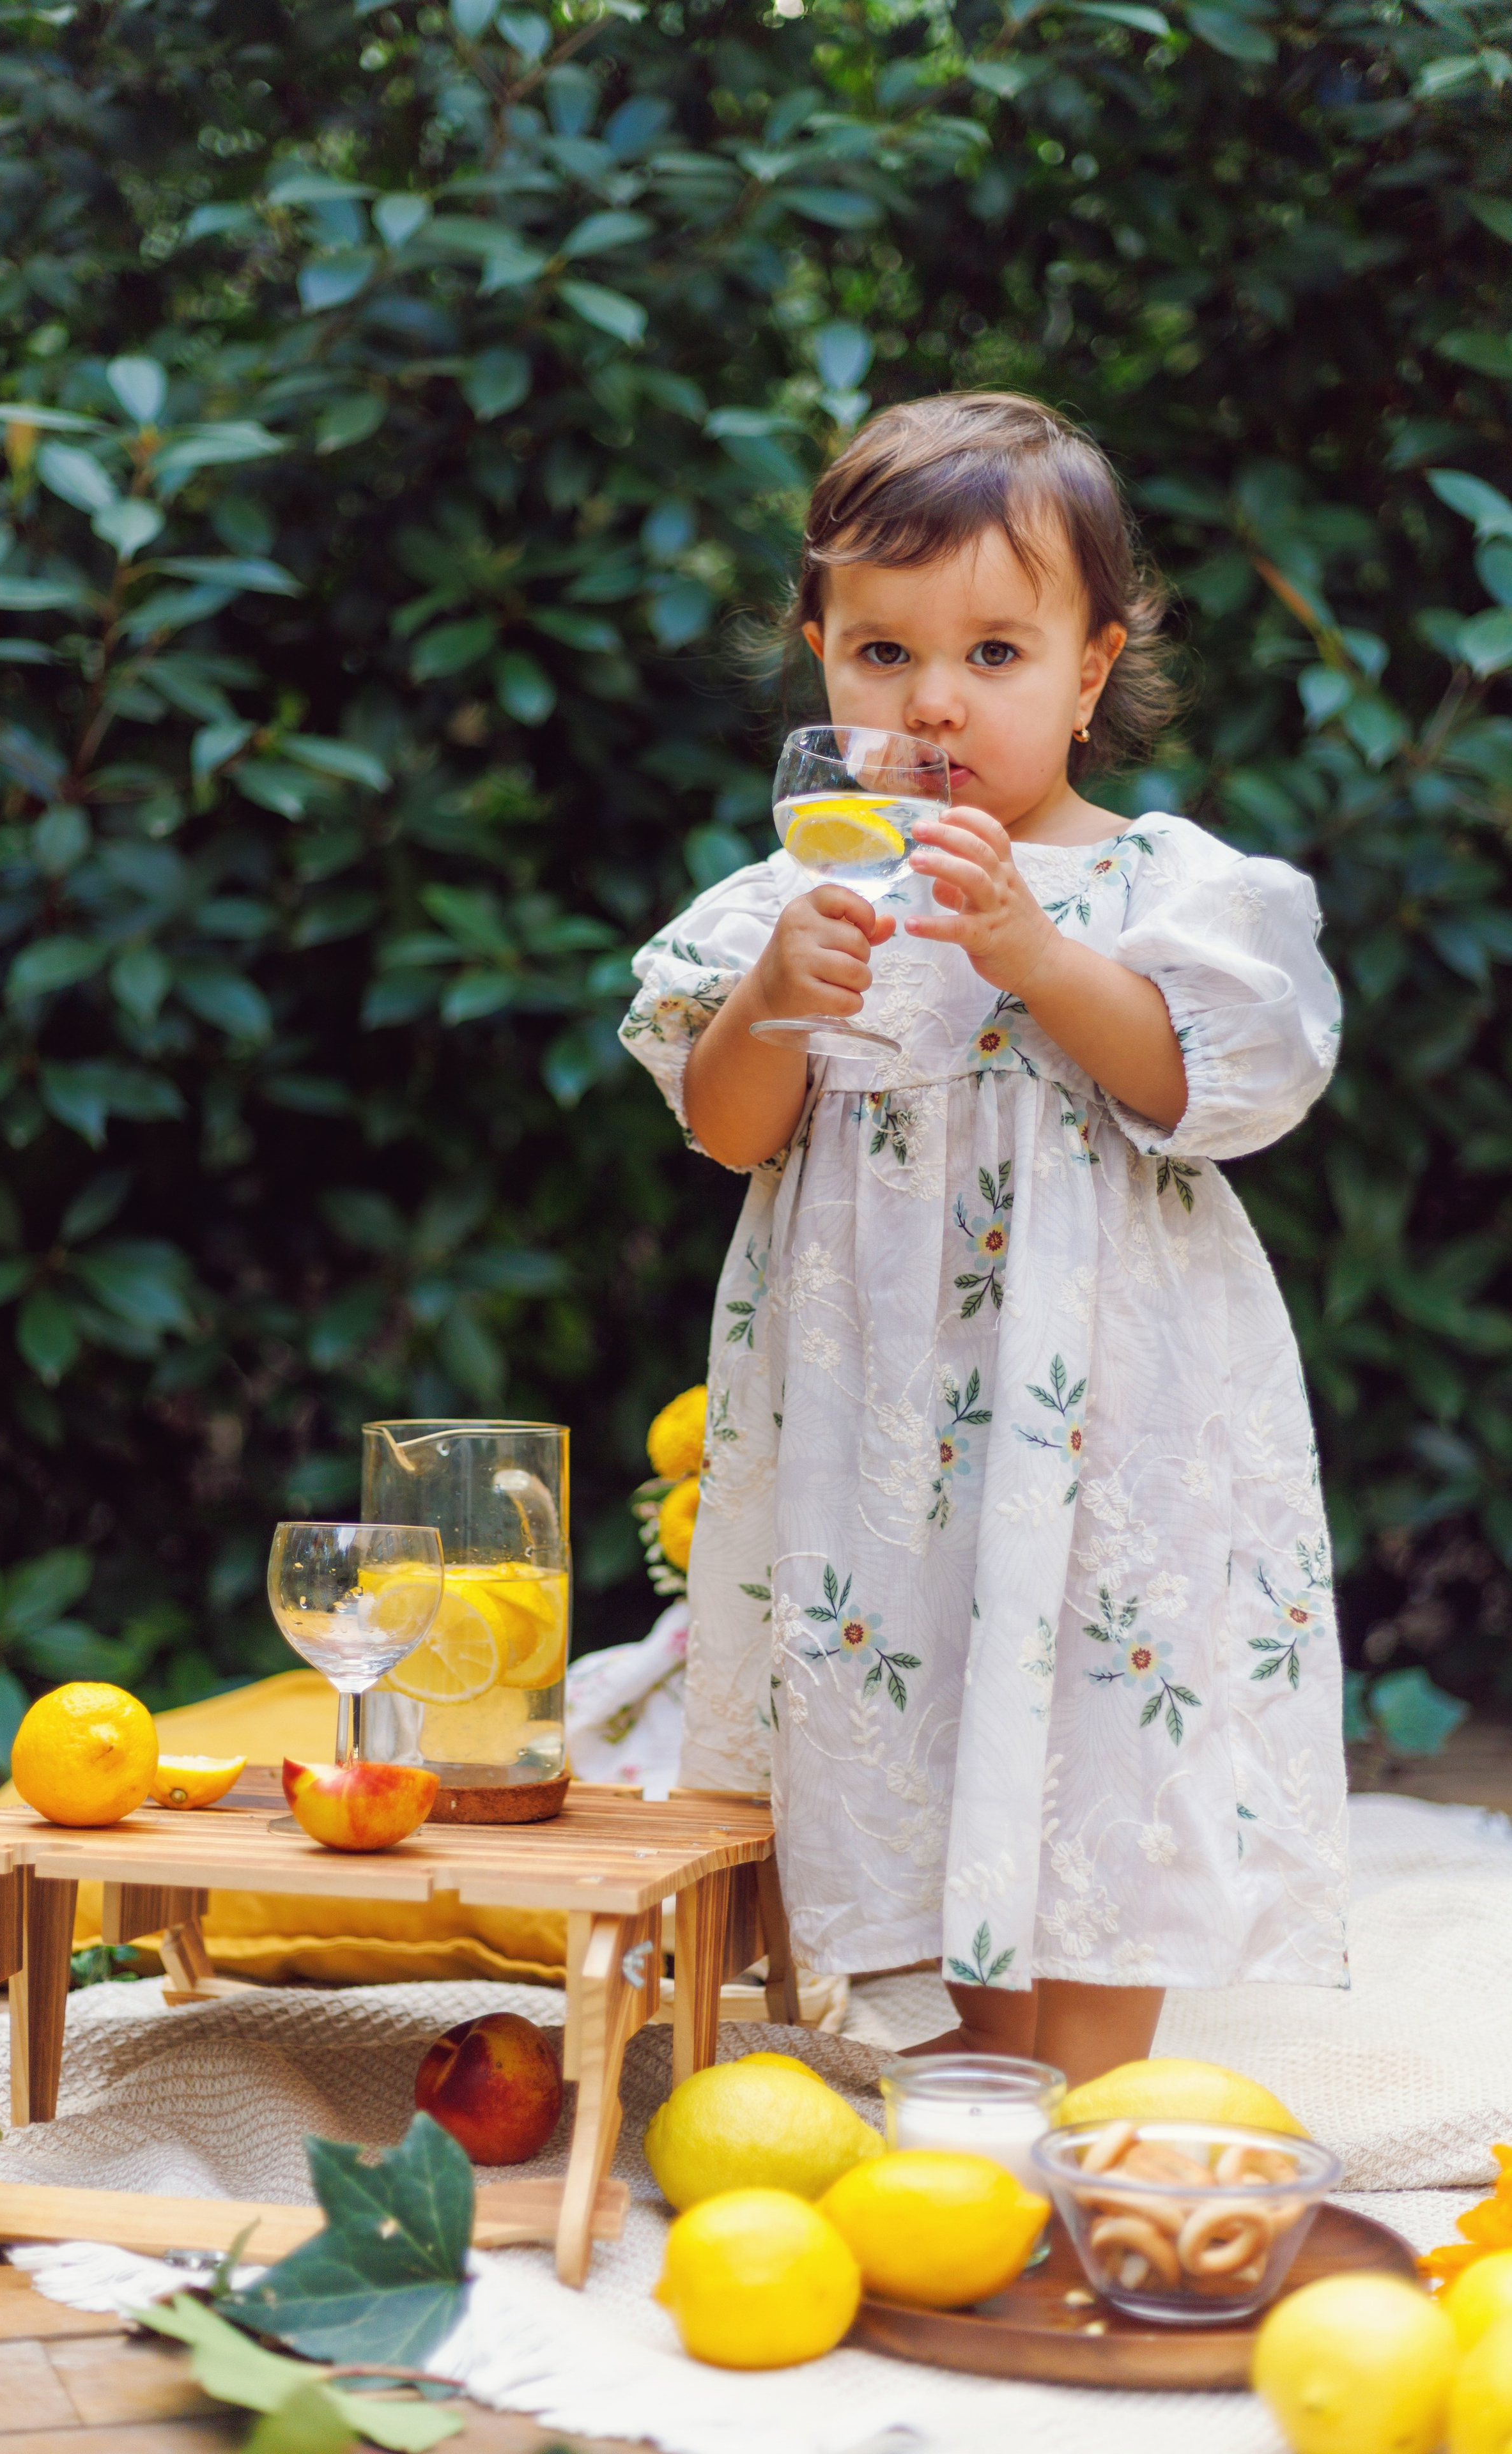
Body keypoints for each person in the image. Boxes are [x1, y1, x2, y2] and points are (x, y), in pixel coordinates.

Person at [619, 392, 1346, 2083]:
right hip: (877, 1440)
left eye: (996, 654)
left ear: (1092, 671)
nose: (932, 702)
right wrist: (774, 1011)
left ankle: (1094, 2088)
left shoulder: (1158, 891)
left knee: (1098, 1701)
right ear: (818, 659)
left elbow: (1208, 1086)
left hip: (1103, 1423)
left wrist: (1034, 951)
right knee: (910, 1687)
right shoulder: (788, 909)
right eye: (879, 656)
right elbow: (726, 1132)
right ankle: (972, 2077)